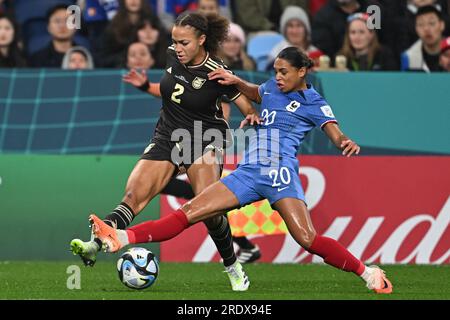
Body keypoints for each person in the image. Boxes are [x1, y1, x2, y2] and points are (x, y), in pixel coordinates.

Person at [89, 47, 393, 294]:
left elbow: (334, 132)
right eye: (275, 71)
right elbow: (254, 91)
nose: (278, 77)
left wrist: (344, 142)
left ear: (303, 71)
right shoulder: (272, 88)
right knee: (192, 212)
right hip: (247, 174)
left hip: (280, 174)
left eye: (284, 72)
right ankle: (122, 237)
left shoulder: (313, 102)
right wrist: (234, 80)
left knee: (307, 239)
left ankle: (368, 273)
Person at [71, 11, 260, 291]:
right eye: (175, 41)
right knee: (133, 196)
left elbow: (245, 104)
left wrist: (252, 116)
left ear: (202, 39)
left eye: (184, 42)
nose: (177, 47)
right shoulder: (173, 55)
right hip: (167, 136)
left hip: (204, 139)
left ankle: (233, 266)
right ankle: (95, 244)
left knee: (209, 212)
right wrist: (146, 86)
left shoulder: (216, 71)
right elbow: (173, 90)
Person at [99, 0, 159, 67]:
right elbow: (103, 58)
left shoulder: (153, 21)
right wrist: (125, 57)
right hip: (120, 69)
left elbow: (163, 50)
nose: (133, 1)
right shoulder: (114, 26)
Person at [267, 6, 323, 70]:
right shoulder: (276, 52)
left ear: (306, 29)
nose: (295, 31)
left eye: (299, 25)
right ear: (284, 30)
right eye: (290, 26)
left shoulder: (316, 53)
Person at [401, 5, 446, 71]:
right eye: (421, 24)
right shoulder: (409, 57)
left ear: (442, 25)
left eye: (431, 23)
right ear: (416, 29)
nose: (426, 29)